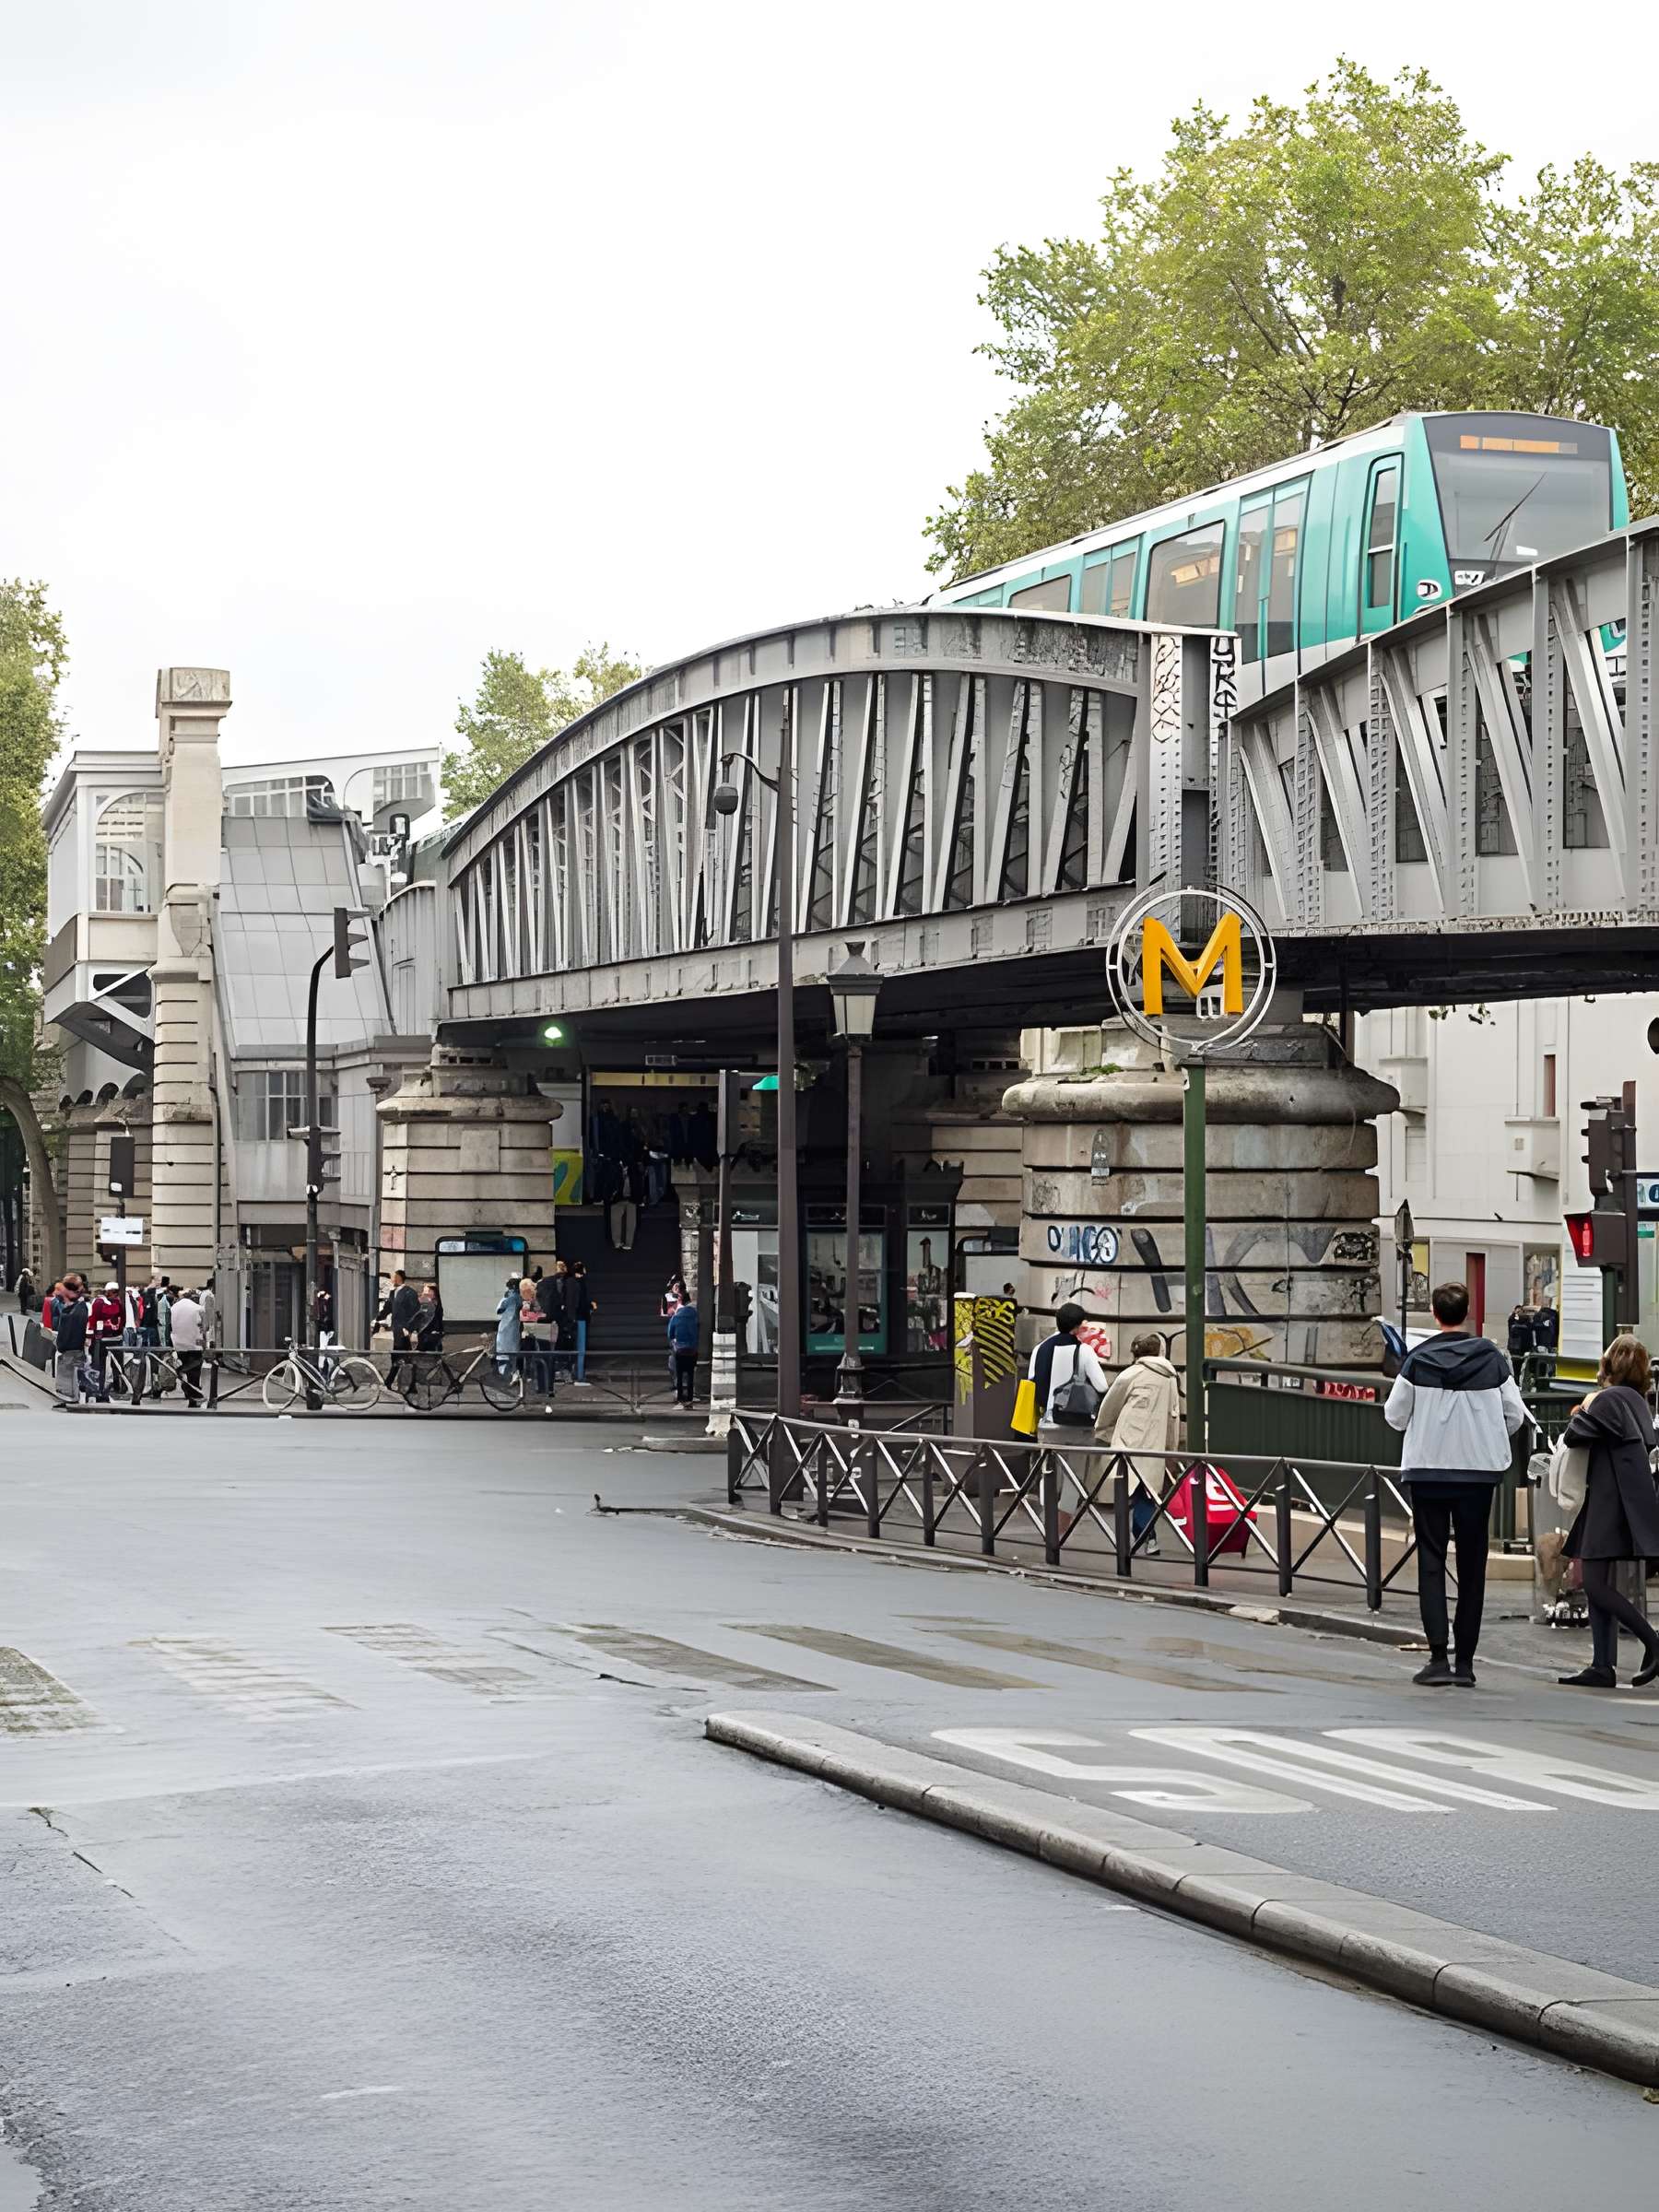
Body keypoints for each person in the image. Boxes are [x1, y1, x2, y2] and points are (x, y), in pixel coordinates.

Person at [1384, 1279, 1527, 1687]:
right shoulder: (1493, 1360)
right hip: (1478, 1476)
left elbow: (1395, 1416)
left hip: (1428, 1472)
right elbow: (1514, 1416)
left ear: (1435, 1313)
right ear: (1467, 1313)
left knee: (1431, 1561)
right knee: (1472, 1565)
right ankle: (1465, 1663)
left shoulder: (1416, 1361)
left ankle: (1437, 1658)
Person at [1556, 1335, 1659, 1689]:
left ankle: (1653, 1641)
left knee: (1594, 1584)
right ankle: (1602, 1665)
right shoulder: (1638, 1401)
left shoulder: (1608, 1399)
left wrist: (1582, 1409)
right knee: (1601, 1581)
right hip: (1625, 1496)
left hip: (1607, 1498)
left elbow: (1575, 1435)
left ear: (1608, 1366)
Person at [1093, 1332, 1182, 1557]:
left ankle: (1139, 1538)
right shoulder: (1170, 1378)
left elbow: (1109, 1407)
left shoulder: (1130, 1374)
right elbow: (1174, 1415)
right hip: (1156, 1443)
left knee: (1131, 1490)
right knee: (1147, 1492)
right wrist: (1171, 1449)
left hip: (1128, 1440)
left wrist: (1104, 1431)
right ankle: (1144, 1537)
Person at [1029, 1302, 1110, 1446]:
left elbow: (1032, 1383)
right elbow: (1102, 1386)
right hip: (1076, 1424)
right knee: (1075, 1468)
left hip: (1047, 1424)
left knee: (1049, 1465)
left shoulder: (1039, 1349)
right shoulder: (1084, 1350)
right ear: (1076, 1328)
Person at [52, 1277, 89, 1406]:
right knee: (68, 1375)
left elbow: (72, 1330)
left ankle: (73, 1398)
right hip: (69, 1348)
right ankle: (70, 1398)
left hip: (72, 1348)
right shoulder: (74, 1307)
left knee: (72, 1374)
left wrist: (62, 1344)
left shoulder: (78, 1308)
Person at [88, 1280, 124, 1401]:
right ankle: (116, 1387)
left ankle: (98, 1389)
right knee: (115, 1366)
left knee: (99, 1366)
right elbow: (122, 1319)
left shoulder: (98, 1303)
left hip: (101, 1339)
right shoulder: (119, 1304)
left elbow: (93, 1321)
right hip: (116, 1338)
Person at [170, 1286, 205, 1406]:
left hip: (178, 1344)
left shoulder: (174, 1307)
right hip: (194, 1345)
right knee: (194, 1373)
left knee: (184, 1369)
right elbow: (204, 1327)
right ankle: (194, 1397)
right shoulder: (198, 1308)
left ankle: (188, 1392)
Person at [386, 1271, 419, 1397]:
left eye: (394, 1277)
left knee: (405, 1357)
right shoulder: (392, 1292)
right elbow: (389, 1308)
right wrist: (379, 1318)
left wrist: (410, 1329)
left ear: (399, 1278)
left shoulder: (409, 1293)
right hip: (397, 1330)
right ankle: (395, 1383)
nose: (392, 1280)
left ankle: (407, 1384)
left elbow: (415, 1312)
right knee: (399, 1357)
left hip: (405, 1331)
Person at [666, 1295, 700, 1406]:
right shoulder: (696, 1317)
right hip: (693, 1350)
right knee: (690, 1375)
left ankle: (680, 1397)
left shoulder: (675, 1317)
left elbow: (670, 1334)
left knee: (679, 1375)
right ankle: (690, 1398)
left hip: (680, 1351)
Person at [494, 1273, 523, 1378]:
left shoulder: (510, 1298)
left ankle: (506, 1373)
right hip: (513, 1326)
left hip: (507, 1326)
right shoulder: (518, 1297)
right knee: (512, 1350)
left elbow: (499, 1309)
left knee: (504, 1349)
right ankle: (514, 1372)